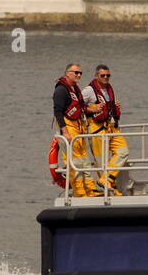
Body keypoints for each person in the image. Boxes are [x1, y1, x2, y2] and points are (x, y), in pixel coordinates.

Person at [52, 64, 100, 196]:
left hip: (79, 129)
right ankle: (79, 191)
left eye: (80, 73)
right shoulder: (61, 90)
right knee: (75, 162)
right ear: (68, 73)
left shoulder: (75, 89)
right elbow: (58, 111)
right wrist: (65, 131)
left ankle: (91, 189)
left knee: (84, 160)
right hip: (69, 128)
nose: (79, 75)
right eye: (76, 72)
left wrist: (93, 109)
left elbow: (81, 107)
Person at [85, 65, 127, 195]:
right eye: (102, 75)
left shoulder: (109, 89)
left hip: (111, 128)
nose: (105, 78)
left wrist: (115, 107)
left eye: (108, 75)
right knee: (101, 161)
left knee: (123, 151)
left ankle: (106, 180)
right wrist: (92, 109)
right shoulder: (89, 90)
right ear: (96, 76)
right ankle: (110, 189)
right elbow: (77, 105)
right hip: (97, 130)